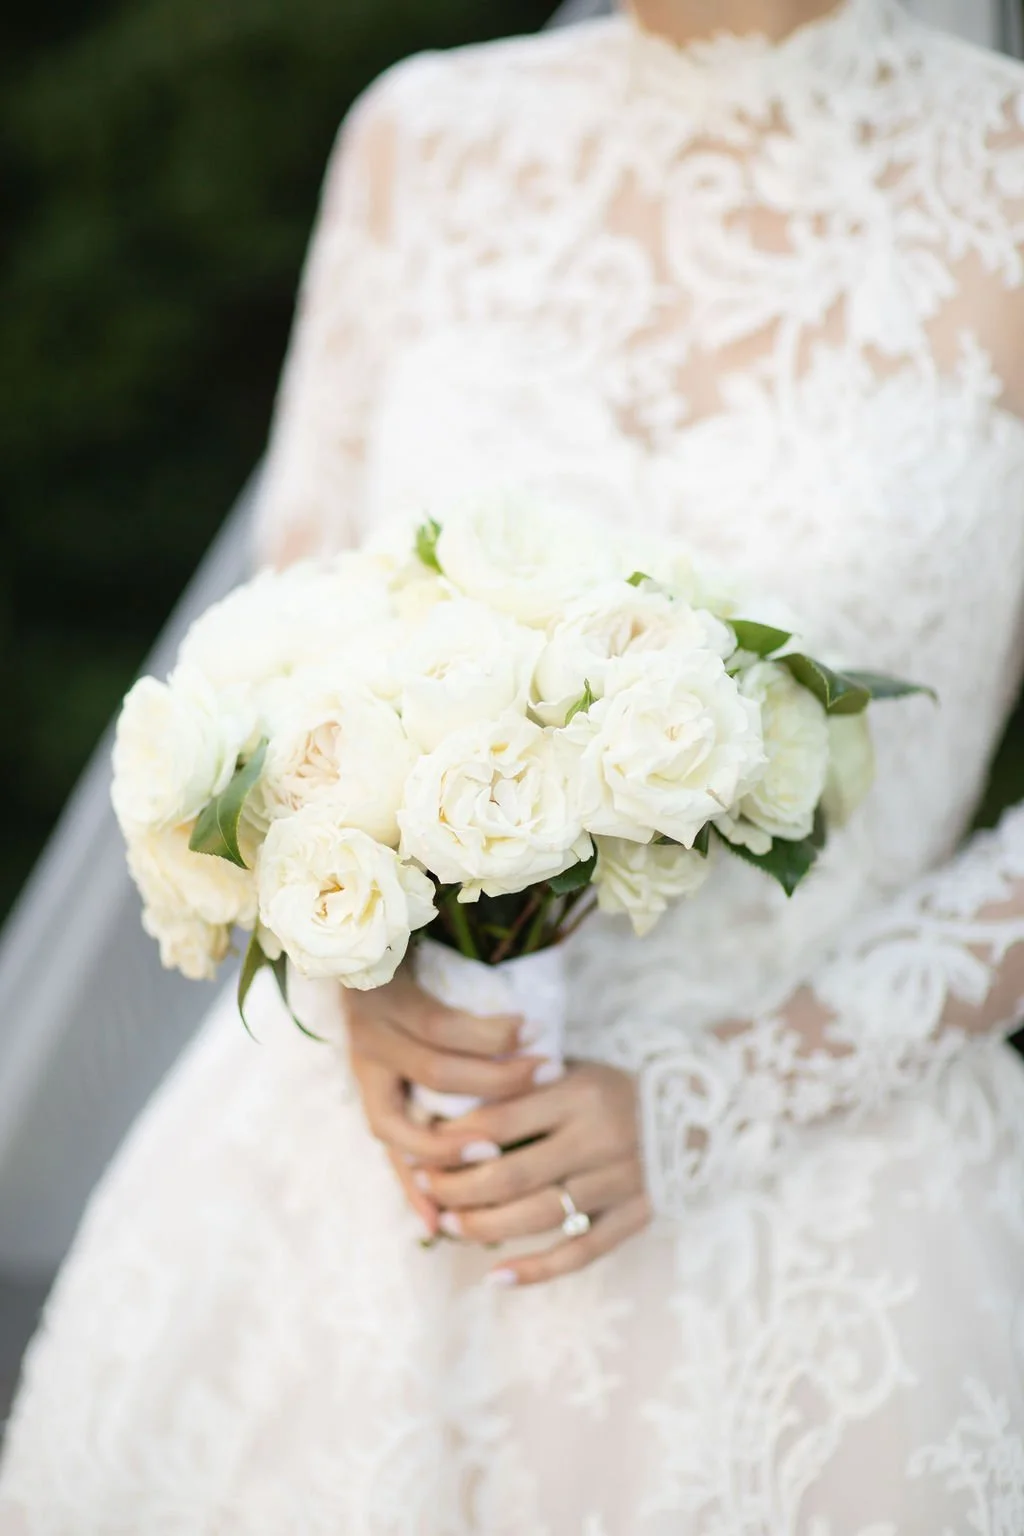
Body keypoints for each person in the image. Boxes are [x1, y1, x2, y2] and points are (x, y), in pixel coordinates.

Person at [3, 0, 1024, 1527]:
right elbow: (275, 664)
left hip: (822, 1219)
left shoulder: (1003, 184)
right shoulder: (422, 141)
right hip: (348, 1184)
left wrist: (712, 1095)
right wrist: (354, 973)